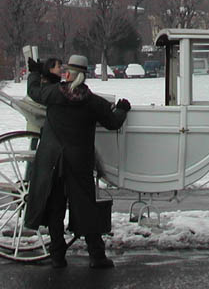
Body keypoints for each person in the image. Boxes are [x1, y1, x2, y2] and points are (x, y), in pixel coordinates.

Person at [25, 54, 131, 269]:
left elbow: (33, 91)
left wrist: (35, 73)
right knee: (86, 208)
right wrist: (123, 108)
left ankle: (57, 256)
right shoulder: (92, 102)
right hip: (79, 161)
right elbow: (113, 123)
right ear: (85, 75)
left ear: (68, 73)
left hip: (52, 159)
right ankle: (97, 256)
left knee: (55, 208)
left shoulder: (53, 93)